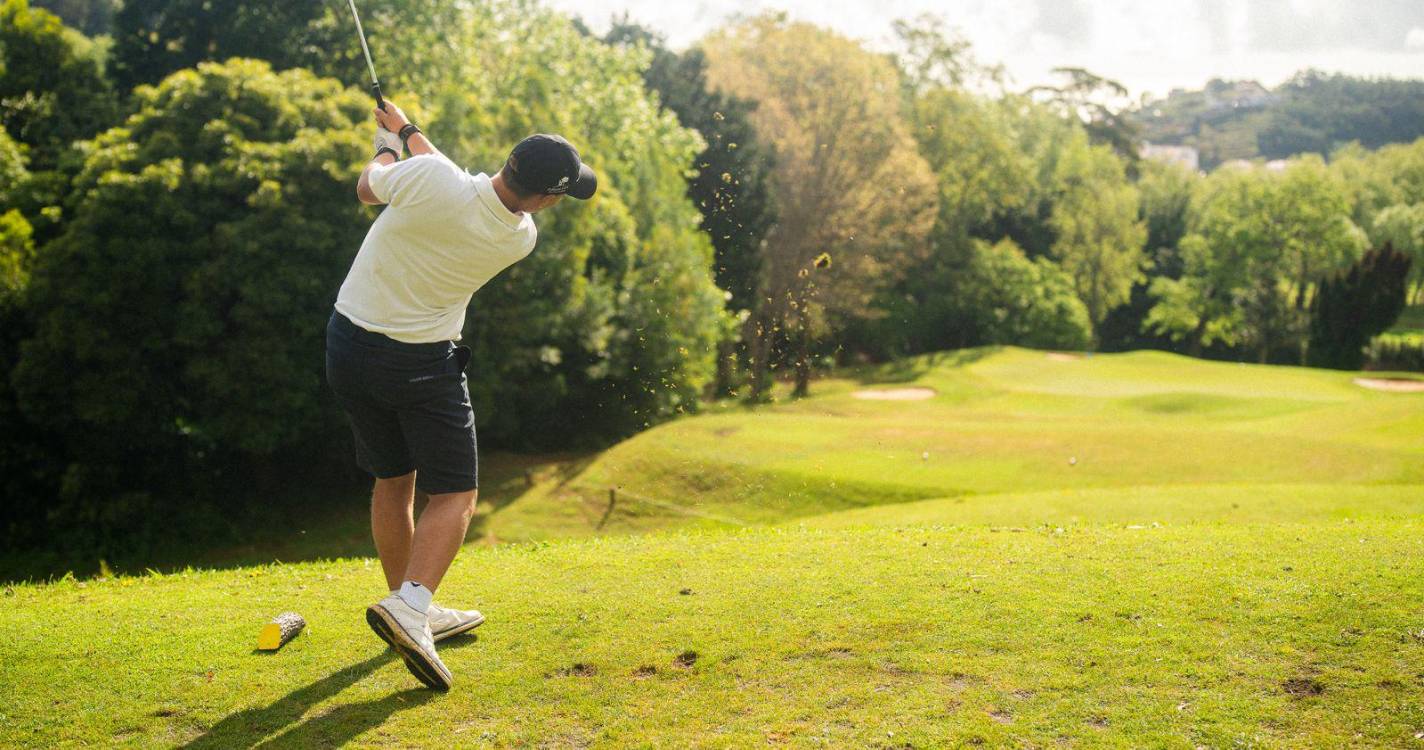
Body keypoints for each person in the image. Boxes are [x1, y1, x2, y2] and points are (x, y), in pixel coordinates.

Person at [325, 100, 597, 690]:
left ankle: (409, 604)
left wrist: (389, 142)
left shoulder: (432, 180)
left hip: (347, 345)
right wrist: (410, 133)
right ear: (547, 197)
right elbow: (457, 187)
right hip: (420, 363)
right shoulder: (519, 236)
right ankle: (412, 606)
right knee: (456, 494)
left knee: (393, 479)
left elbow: (371, 188)